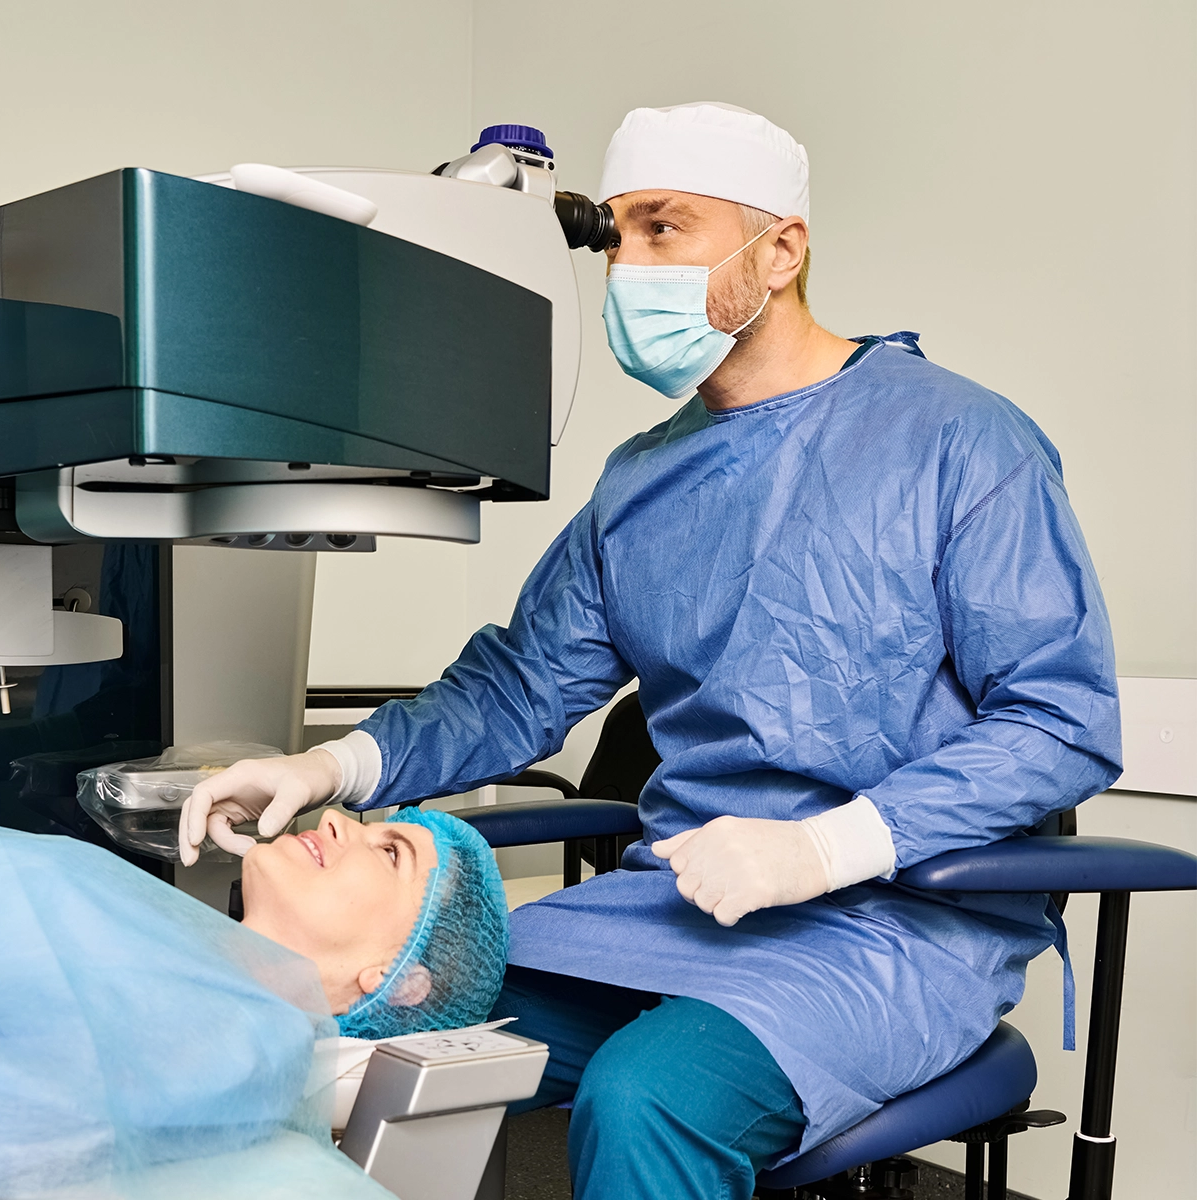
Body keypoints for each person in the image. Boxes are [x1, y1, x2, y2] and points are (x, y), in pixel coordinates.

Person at [179, 101, 1121, 1199]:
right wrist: (324, 767)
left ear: (782, 250)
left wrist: (822, 850)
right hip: (668, 909)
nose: (629, 266)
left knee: (648, 1093)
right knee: (364, 1037)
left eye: (665, 230)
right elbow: (520, 686)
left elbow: (1059, 722)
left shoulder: (962, 439)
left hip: (890, 924)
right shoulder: (641, 479)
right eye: (616, 234)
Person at [0, 808, 507, 1197]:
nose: (333, 817)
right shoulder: (171, 949)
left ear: (398, 980)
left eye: (391, 853)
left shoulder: (232, 1046)